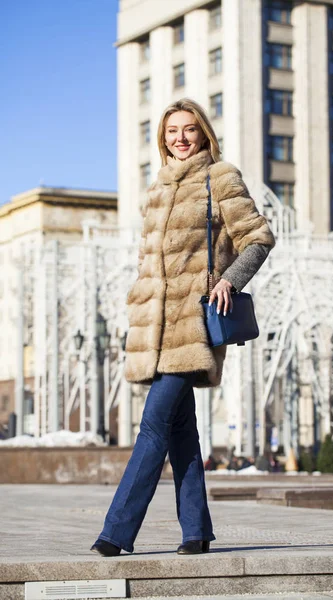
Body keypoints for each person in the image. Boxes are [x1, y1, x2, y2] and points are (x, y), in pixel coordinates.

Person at [90, 98, 275, 557]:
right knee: (181, 433)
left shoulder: (220, 176)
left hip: (192, 326)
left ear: (204, 133)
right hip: (153, 331)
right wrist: (138, 302)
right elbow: (146, 263)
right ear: (162, 138)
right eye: (172, 131)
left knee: (152, 426)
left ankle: (116, 533)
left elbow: (258, 237)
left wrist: (229, 280)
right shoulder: (157, 188)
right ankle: (196, 531)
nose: (180, 138)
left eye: (189, 129)